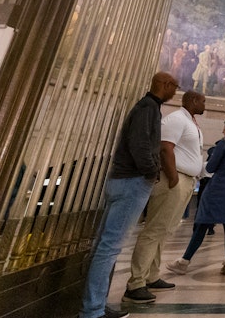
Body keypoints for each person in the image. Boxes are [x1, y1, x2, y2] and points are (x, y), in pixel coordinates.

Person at [79, 72, 178, 318]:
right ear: (164, 85)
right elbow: (140, 144)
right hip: (132, 182)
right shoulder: (148, 108)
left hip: (123, 181)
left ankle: (95, 304)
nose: (175, 92)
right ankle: (92, 310)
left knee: (104, 245)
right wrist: (151, 171)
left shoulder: (148, 107)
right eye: (174, 87)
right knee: (109, 248)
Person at [124, 91, 205, 303]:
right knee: (154, 230)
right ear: (193, 101)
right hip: (174, 181)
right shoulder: (177, 119)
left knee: (165, 230)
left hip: (186, 180)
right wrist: (174, 178)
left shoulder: (191, 122)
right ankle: (135, 284)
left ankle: (151, 276)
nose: (206, 104)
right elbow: (165, 148)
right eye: (203, 100)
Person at [166, 118, 225, 277]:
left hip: (219, 187)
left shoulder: (224, 144)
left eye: (224, 129)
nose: (222, 132)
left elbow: (211, 167)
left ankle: (184, 261)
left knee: (202, 223)